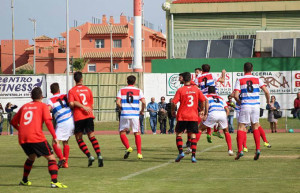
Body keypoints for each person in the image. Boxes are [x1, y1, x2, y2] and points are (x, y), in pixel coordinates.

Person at [10, 87, 67, 188]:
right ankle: (54, 182)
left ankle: (24, 180)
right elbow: (48, 122)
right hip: (36, 137)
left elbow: (13, 122)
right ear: (41, 96)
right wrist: (54, 136)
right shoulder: (42, 106)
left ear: (31, 96)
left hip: (23, 138)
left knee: (31, 157)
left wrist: (21, 130)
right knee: (51, 158)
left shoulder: (24, 106)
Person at [234, 62, 270, 160]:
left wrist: (239, 102)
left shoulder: (240, 79)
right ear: (252, 69)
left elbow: (236, 95)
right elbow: (266, 91)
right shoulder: (257, 79)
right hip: (255, 106)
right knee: (255, 126)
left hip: (245, 105)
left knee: (241, 127)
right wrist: (268, 102)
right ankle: (258, 149)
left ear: (243, 69)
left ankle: (240, 151)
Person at [68, 71, 103, 167]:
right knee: (92, 136)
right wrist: (87, 108)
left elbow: (71, 104)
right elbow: (91, 105)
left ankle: (89, 156)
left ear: (74, 80)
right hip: (89, 115)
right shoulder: (88, 90)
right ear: (82, 79)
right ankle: (99, 155)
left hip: (79, 116)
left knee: (79, 139)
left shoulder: (72, 91)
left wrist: (78, 106)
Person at [172, 72, 207, 163]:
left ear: (183, 79)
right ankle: (193, 156)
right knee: (193, 135)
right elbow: (204, 100)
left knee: (179, 134)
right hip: (193, 116)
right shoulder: (196, 89)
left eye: (180, 77)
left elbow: (173, 102)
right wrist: (202, 110)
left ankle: (181, 152)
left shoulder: (180, 90)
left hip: (182, 116)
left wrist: (172, 110)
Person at [198, 86, 234, 156]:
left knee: (200, 129)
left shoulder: (206, 96)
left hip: (213, 113)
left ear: (208, 91)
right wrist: (224, 118)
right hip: (222, 114)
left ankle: (191, 148)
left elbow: (206, 105)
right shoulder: (221, 98)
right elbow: (227, 110)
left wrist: (205, 114)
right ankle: (230, 150)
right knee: (226, 131)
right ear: (215, 91)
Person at [116, 75, 146, 159]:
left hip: (124, 114)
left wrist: (122, 108)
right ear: (134, 82)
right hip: (135, 115)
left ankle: (128, 147)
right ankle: (139, 153)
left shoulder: (121, 90)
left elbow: (118, 102)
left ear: (127, 81)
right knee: (137, 133)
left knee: (122, 132)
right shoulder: (138, 90)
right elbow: (143, 102)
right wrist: (142, 110)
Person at [195, 64, 226, 142]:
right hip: (212, 97)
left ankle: (209, 133)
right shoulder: (212, 75)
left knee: (207, 116)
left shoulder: (198, 77)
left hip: (203, 99)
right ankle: (215, 130)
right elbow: (222, 80)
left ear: (202, 70)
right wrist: (223, 73)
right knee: (217, 112)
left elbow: (196, 87)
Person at [47, 83, 74, 168]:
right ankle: (65, 163)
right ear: (59, 89)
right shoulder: (65, 95)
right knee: (65, 141)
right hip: (71, 120)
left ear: (51, 91)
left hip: (62, 122)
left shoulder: (50, 99)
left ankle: (62, 159)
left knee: (55, 142)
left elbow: (48, 108)